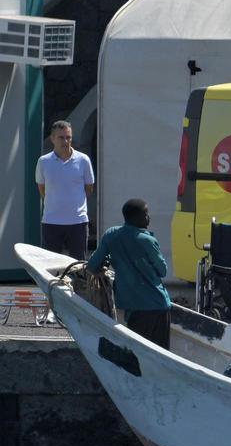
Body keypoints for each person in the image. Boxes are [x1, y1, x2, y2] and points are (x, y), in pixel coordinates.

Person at [87, 198, 172, 349]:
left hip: (134, 309)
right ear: (136, 217)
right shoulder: (148, 240)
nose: (149, 218)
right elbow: (162, 271)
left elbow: (92, 265)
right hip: (157, 306)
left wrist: (109, 259)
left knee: (136, 353)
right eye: (146, 214)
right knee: (159, 355)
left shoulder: (111, 235)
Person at [35, 120, 94, 261]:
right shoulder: (43, 162)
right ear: (52, 139)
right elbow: (42, 189)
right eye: (61, 137)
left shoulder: (83, 160)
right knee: (51, 266)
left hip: (78, 222)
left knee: (79, 265)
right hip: (51, 221)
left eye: (68, 137)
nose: (65, 141)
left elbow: (89, 188)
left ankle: (78, 284)